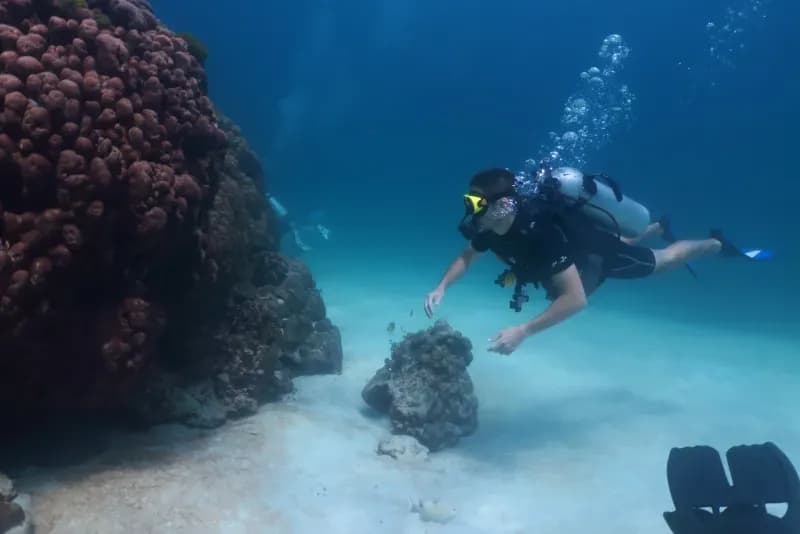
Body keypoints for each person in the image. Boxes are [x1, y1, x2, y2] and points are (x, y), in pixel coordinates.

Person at [424, 168, 764, 355]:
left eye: (477, 202)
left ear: (506, 205)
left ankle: (714, 243)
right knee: (622, 238)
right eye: (469, 200)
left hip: (597, 255)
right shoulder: (491, 226)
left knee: (666, 260)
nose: (470, 211)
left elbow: (575, 300)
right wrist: (441, 286)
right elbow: (468, 255)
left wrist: (523, 331)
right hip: (581, 241)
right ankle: (656, 226)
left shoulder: (541, 234)